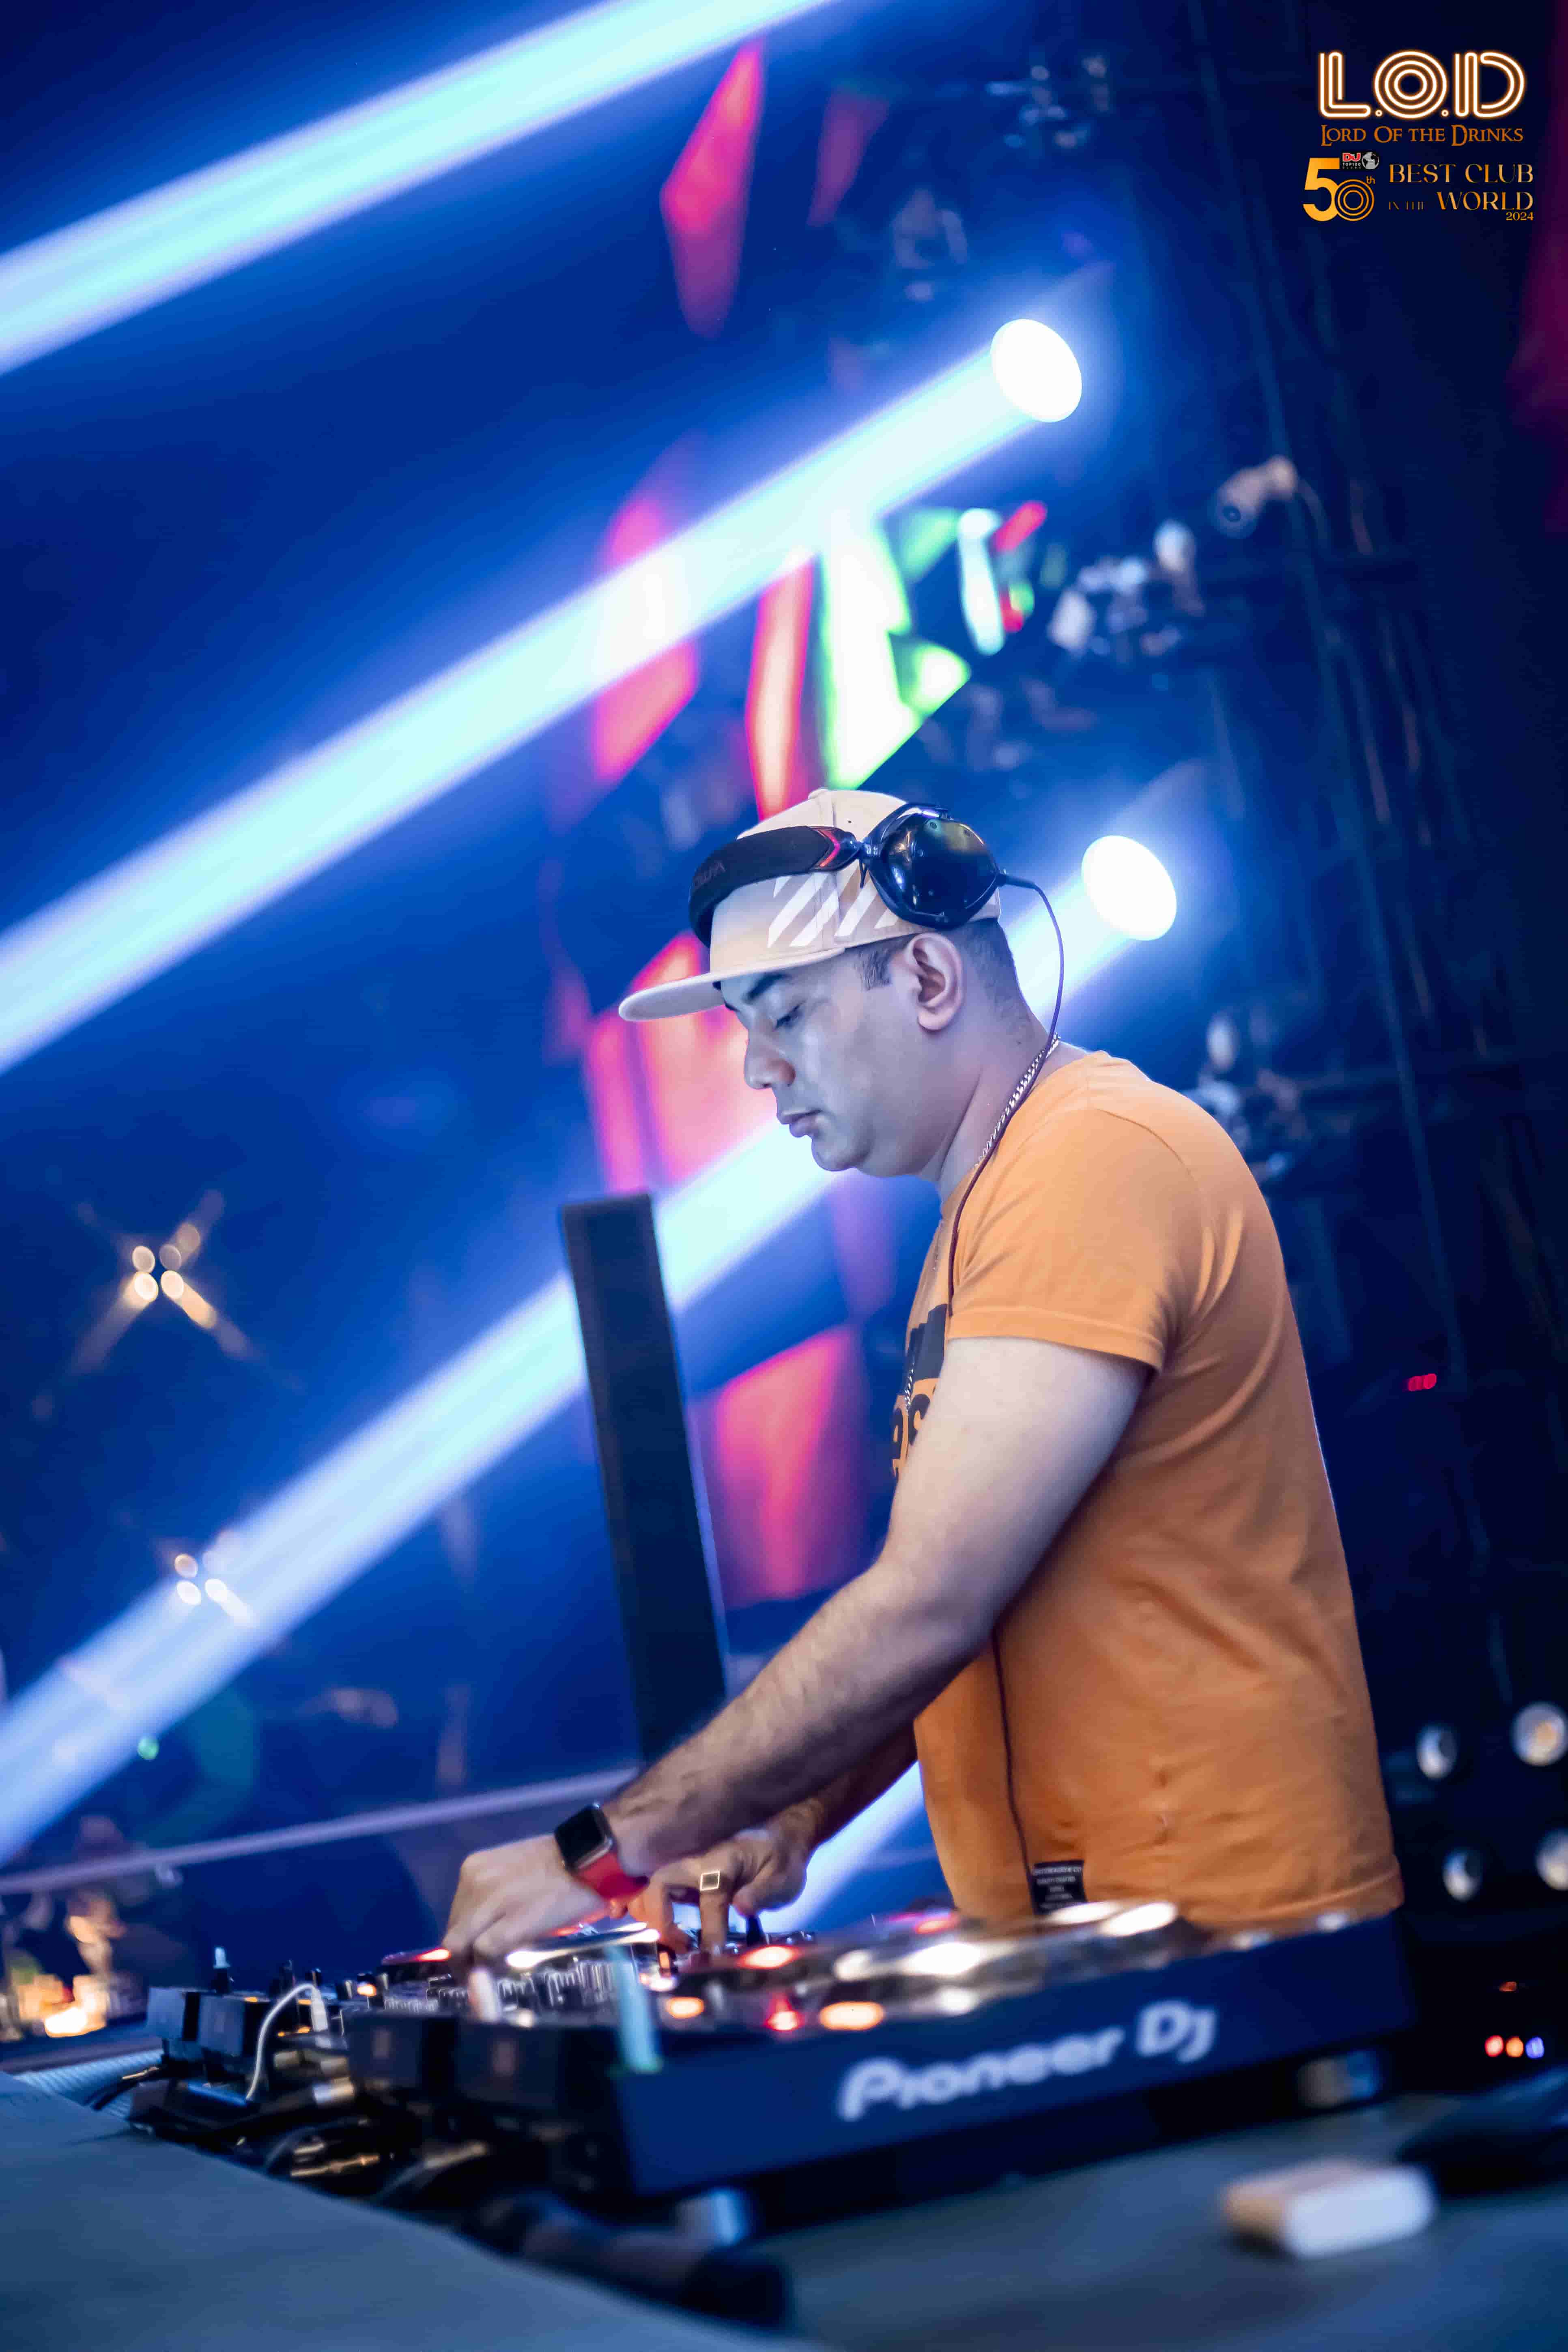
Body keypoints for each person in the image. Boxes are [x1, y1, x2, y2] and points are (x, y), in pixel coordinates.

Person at [444, 789, 1400, 1964]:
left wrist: (596, 1855)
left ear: (930, 980)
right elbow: (979, 1610)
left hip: (1229, 1943)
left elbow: (929, 1600)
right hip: (1108, 1946)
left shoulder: (1091, 1161)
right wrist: (796, 1814)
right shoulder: (987, 1209)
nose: (757, 1069)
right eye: (745, 1026)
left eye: (785, 1013)